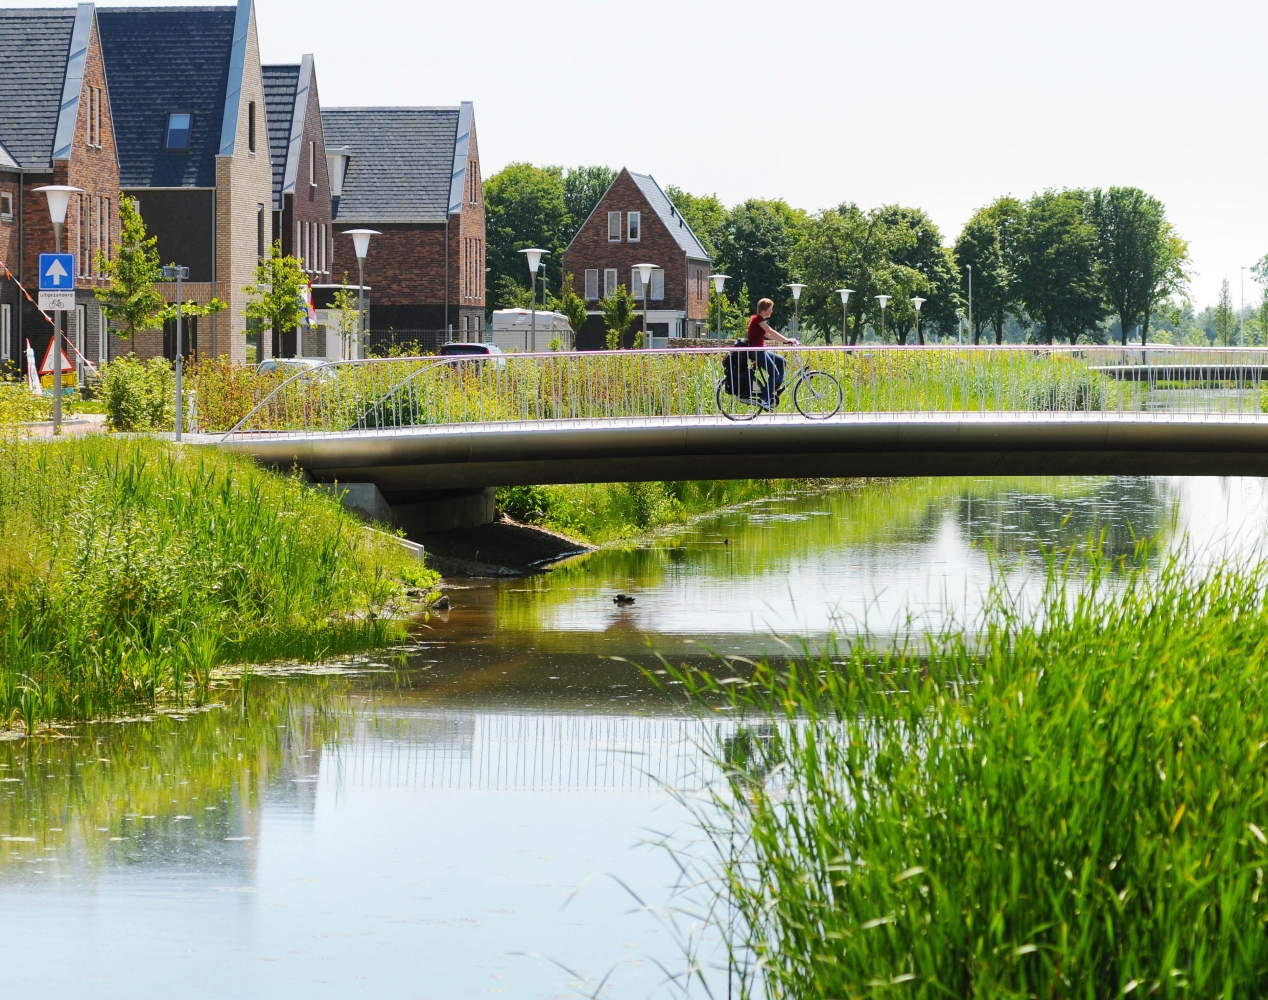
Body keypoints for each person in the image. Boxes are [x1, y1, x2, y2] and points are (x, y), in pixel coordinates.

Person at [746, 298, 797, 407]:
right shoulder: (758, 319)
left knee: (782, 361)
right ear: (764, 310)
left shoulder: (760, 321)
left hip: (761, 350)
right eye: (770, 309)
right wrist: (787, 340)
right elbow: (771, 331)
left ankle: (775, 385)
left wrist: (785, 341)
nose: (772, 311)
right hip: (756, 352)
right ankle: (764, 399)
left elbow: (769, 335)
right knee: (774, 373)